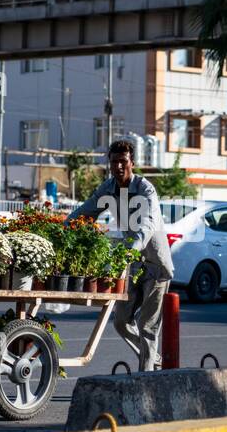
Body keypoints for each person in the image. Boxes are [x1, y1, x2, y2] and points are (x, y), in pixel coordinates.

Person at [68, 140, 175, 371]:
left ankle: (144, 380)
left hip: (156, 266)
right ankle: (153, 357)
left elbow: (148, 223)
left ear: (132, 163)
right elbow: (84, 212)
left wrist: (131, 249)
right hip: (133, 264)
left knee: (147, 327)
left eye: (123, 162)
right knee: (120, 322)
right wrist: (63, 228)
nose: (118, 167)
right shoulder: (107, 188)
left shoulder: (146, 189)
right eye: (114, 162)